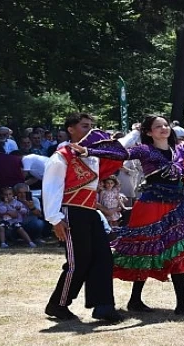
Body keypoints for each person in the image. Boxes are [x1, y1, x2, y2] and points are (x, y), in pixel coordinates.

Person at [69, 109, 184, 315]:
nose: (164, 128)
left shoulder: (181, 150)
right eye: (158, 126)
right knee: (145, 251)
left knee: (176, 250)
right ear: (148, 132)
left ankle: (181, 303)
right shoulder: (145, 150)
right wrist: (90, 152)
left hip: (175, 205)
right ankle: (136, 299)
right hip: (151, 206)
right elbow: (121, 153)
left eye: (165, 125)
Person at [43, 112, 128, 322]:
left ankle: (103, 306)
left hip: (91, 211)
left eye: (91, 126)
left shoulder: (93, 155)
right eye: (83, 126)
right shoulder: (62, 155)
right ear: (70, 129)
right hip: (71, 211)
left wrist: (135, 132)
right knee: (78, 262)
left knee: (103, 257)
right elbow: (52, 187)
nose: (88, 130)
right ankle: (58, 304)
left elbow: (122, 149)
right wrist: (55, 219)